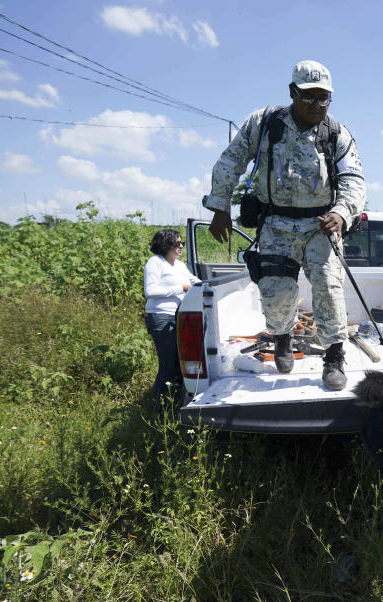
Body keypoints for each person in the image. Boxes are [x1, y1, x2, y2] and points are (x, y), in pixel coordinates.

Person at [202, 60, 365, 390]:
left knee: (329, 289)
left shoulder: (337, 133)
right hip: (276, 224)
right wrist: (220, 205)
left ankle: (334, 357)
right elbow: (231, 159)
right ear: (292, 92)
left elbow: (353, 179)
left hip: (322, 226)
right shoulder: (264, 123)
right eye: (309, 97)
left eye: (324, 98)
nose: (317, 105)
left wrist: (342, 212)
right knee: (275, 295)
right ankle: (282, 337)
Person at [144, 229, 200, 410]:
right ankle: (159, 409)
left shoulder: (180, 265)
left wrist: (209, 286)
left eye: (182, 243)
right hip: (161, 317)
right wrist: (181, 288)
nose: (181, 246)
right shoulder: (155, 263)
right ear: (166, 245)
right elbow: (150, 291)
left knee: (179, 364)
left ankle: (173, 404)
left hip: (179, 317)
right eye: (177, 243)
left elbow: (195, 281)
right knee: (168, 365)